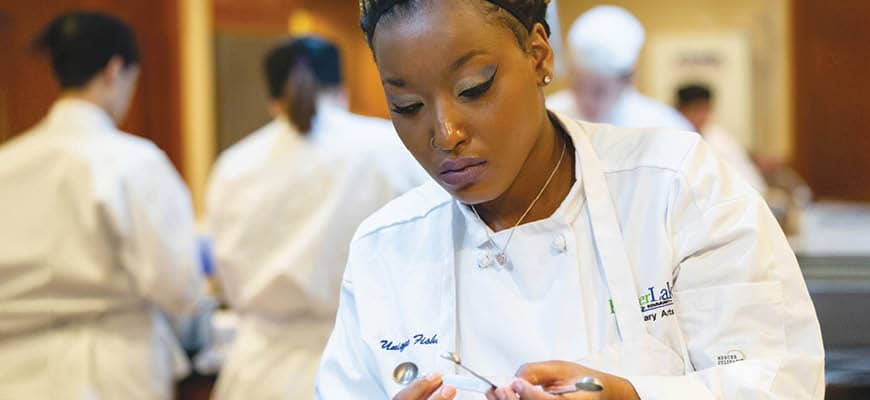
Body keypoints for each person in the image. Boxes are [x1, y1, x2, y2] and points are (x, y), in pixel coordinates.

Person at [315, 0, 824, 399]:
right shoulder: (387, 248)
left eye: (474, 87)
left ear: (539, 54)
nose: (445, 133)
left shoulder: (675, 188)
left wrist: (633, 397)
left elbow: (781, 384)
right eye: (407, 105)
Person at [205, 37, 426, 400]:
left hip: (259, 372)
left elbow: (223, 276)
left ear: (271, 98)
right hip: (369, 367)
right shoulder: (391, 149)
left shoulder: (236, 165)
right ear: (342, 86)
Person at [0, 11, 206, 399]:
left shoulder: (7, 164)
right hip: (110, 368)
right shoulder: (133, 162)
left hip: (14, 370)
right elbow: (179, 286)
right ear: (115, 71)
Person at [546, 5, 692, 131]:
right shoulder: (550, 118)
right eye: (577, 86)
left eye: (599, 91)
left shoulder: (664, 126)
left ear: (628, 81)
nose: (586, 100)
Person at [675, 83, 767, 193]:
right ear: (680, 110)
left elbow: (747, 179)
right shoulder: (674, 138)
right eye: (695, 110)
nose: (702, 116)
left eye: (706, 110)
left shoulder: (720, 140)